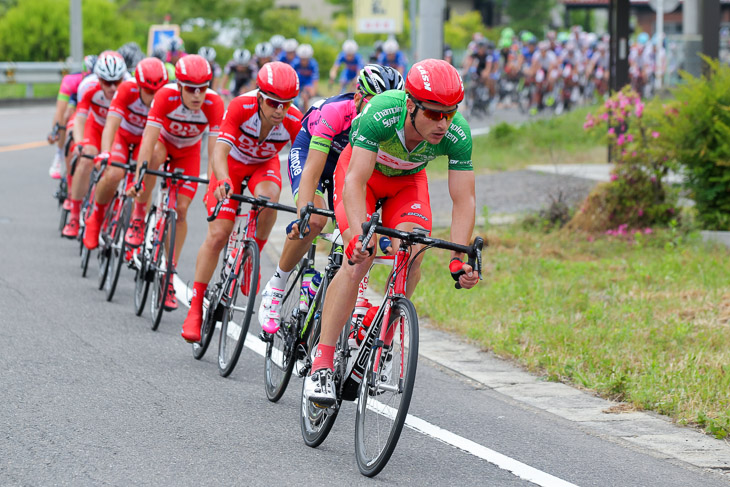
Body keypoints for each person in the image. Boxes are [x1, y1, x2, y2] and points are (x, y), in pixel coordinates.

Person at [303, 59, 480, 405]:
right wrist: (357, 236)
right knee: (359, 258)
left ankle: (381, 338)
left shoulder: (457, 134)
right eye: (433, 113)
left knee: (414, 250)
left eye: (450, 112)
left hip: (406, 184)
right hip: (363, 178)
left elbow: (464, 199)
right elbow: (354, 182)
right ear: (411, 105)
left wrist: (459, 257)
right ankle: (321, 363)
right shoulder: (382, 112)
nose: (442, 123)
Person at [258, 64, 404, 334]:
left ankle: (322, 292)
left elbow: (374, 185)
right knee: (314, 220)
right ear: (359, 97)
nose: (381, 113)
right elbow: (313, 168)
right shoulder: (335, 112)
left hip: (348, 165)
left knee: (356, 231)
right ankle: (276, 287)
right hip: (314, 153)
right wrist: (303, 212)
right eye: (374, 103)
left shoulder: (388, 126)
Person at [180, 62, 302, 343]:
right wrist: (221, 180)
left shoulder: (294, 119)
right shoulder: (240, 106)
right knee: (219, 234)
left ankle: (252, 257)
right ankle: (196, 307)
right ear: (259, 97)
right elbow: (220, 152)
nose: (280, 110)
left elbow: (301, 164)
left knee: (270, 199)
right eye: (273, 103)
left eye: (286, 104)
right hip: (231, 165)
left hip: (263, 165)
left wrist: (302, 200)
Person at [125, 54, 224, 310]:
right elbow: (148, 140)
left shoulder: (213, 103)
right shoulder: (165, 96)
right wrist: (139, 176)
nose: (197, 95)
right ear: (179, 86)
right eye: (191, 89)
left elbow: (214, 152)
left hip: (188, 153)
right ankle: (138, 217)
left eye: (203, 88)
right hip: (163, 144)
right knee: (154, 156)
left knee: (180, 210)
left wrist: (213, 188)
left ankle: (169, 274)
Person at [81, 57, 169, 250]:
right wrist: (105, 152)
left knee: (148, 169)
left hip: (145, 141)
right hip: (123, 136)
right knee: (113, 174)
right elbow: (110, 125)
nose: (154, 96)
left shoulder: (167, 96)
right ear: (138, 85)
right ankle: (95, 218)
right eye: (148, 91)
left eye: (158, 90)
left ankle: (137, 220)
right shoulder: (126, 89)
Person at [62, 51, 127, 239]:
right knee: (85, 159)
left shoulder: (130, 87)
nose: (113, 87)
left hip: (117, 132)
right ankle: (74, 217)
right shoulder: (87, 86)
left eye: (117, 81)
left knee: (114, 169)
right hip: (95, 126)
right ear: (98, 78)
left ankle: (107, 208)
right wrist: (80, 143)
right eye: (107, 82)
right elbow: (80, 119)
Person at [47, 54, 96, 179]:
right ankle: (59, 155)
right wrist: (55, 131)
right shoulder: (72, 81)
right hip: (75, 103)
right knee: (66, 115)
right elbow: (60, 110)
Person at [292, 43, 318, 111]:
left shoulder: (313, 64)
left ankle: (306, 113)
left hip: (308, 82)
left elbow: (315, 79)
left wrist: (313, 91)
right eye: (302, 59)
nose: (303, 62)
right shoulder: (295, 63)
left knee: (305, 97)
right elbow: (290, 75)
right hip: (299, 80)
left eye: (305, 59)